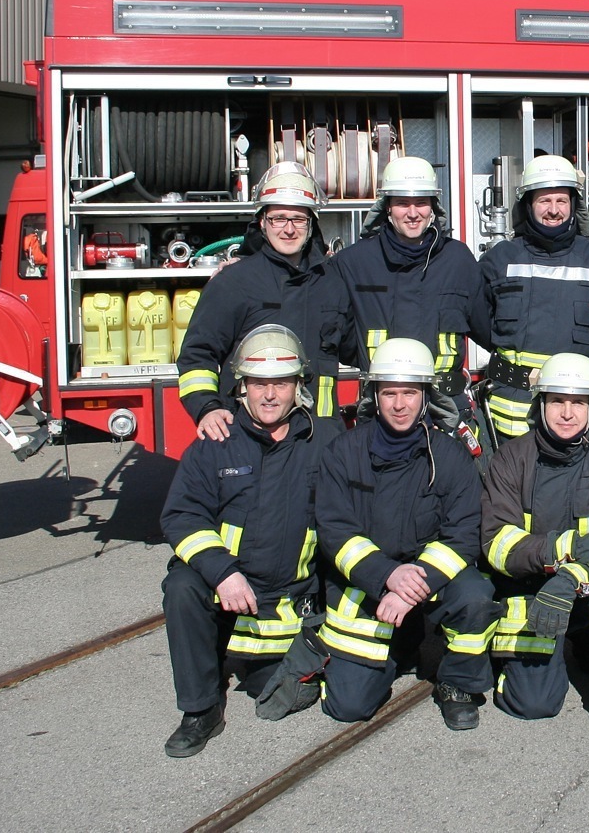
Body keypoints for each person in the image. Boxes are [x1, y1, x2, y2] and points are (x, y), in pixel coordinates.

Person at [159, 324, 333, 757]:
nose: (270, 395)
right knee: (181, 586)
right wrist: (222, 573)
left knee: (275, 692)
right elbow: (181, 515)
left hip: (289, 599)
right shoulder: (215, 443)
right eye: (258, 383)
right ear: (241, 387)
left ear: (299, 386)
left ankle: (260, 662)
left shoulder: (324, 442)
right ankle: (201, 710)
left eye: (281, 382)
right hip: (230, 589)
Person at [311, 338, 499, 730]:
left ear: (425, 396)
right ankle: (403, 641)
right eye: (390, 393)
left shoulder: (449, 455)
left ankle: (457, 684)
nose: (400, 404)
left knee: (476, 596)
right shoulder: (343, 453)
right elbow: (334, 531)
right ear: (374, 395)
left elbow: (463, 535)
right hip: (366, 580)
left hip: (423, 574)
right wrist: (386, 576)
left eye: (410, 393)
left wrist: (413, 585)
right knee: (349, 706)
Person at [480, 353, 589, 737]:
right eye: (557, 400)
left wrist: (568, 578)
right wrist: (562, 553)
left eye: (578, 402)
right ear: (540, 403)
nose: (567, 413)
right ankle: (511, 663)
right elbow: (497, 544)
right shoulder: (511, 459)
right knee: (534, 705)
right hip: (532, 591)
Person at [178, 162, 345, 435]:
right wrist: (206, 407)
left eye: (298, 219)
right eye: (278, 218)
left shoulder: (332, 282)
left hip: (319, 435)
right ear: (262, 222)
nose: (288, 229)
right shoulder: (233, 282)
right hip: (249, 436)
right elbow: (197, 355)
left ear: (311, 224)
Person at [332, 156, 486, 436]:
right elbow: (334, 333)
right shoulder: (353, 263)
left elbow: (490, 328)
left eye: (421, 202)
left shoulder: (458, 260)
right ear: (387, 208)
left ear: (433, 208)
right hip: (384, 414)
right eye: (402, 203)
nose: (412, 213)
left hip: (448, 415)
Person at [474, 155, 589, 441]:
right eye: (544, 201)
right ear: (528, 205)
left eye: (561, 201)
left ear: (574, 205)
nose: (553, 210)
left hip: (575, 415)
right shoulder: (500, 259)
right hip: (510, 415)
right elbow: (477, 321)